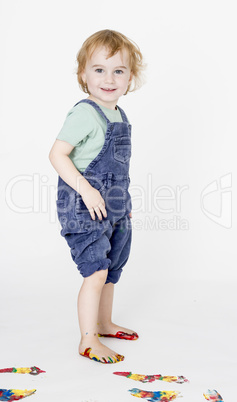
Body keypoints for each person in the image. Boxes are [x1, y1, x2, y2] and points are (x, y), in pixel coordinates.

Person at [49, 29, 145, 364]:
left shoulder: (119, 115)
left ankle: (104, 323)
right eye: (99, 69)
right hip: (82, 205)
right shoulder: (84, 113)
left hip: (114, 207)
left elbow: (119, 171)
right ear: (83, 75)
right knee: (96, 271)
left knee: (112, 268)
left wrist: (125, 206)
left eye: (118, 70)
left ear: (129, 78)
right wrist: (87, 190)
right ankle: (88, 340)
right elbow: (57, 155)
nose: (109, 78)